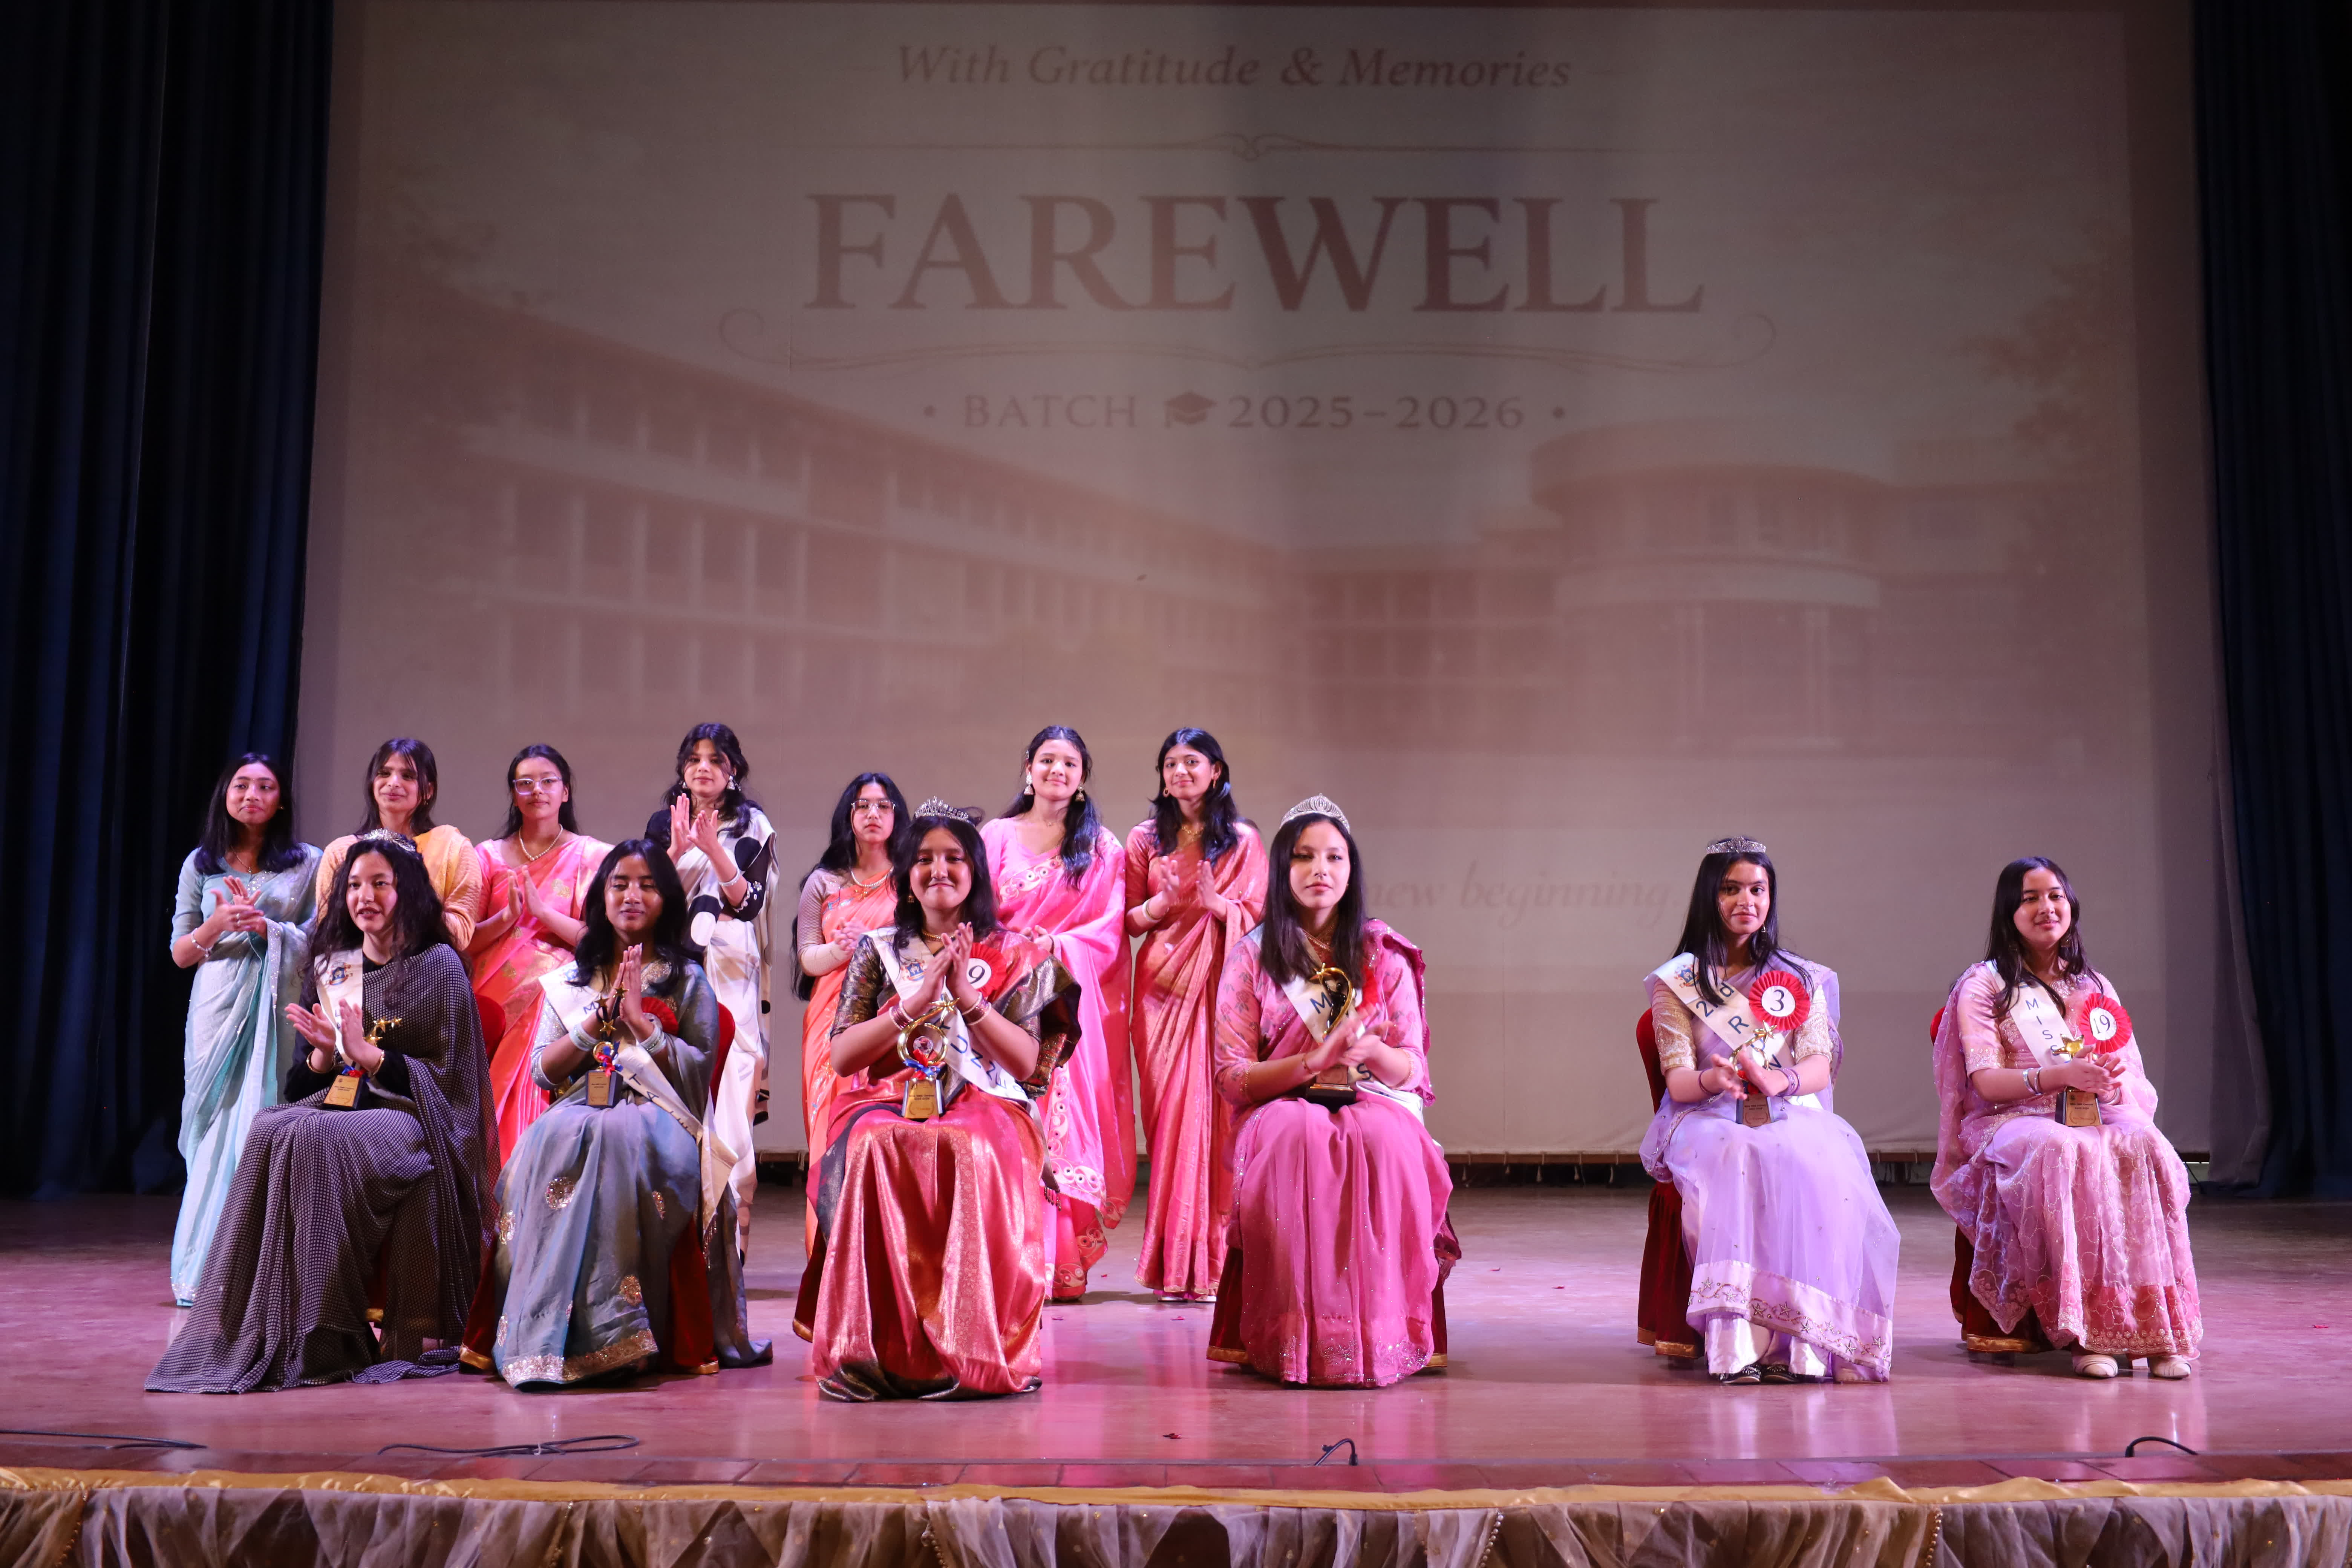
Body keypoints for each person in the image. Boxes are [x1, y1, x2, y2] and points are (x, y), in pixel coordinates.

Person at [149, 832, 491, 1392]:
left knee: (316, 1139)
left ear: (408, 890)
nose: (364, 897)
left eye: (380, 884)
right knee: (271, 1126)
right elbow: (303, 1084)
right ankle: (264, 1325)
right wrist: (326, 1054)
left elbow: (453, 1080)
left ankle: (326, 1331)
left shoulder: (438, 965)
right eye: (354, 885)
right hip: (349, 1104)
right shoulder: (337, 966)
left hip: (416, 1117)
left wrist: (371, 1057)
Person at [793, 802, 1078, 1400]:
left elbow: (1025, 1065)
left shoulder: (1015, 952)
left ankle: (971, 1345)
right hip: (892, 1095)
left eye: (953, 858)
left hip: (987, 1098)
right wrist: (913, 1004)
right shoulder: (878, 949)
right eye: (923, 859)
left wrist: (966, 1000)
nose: (938, 870)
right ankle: (878, 1347)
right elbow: (843, 1057)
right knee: (872, 1144)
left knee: (971, 1146)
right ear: (906, 874)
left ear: (976, 871)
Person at [461, 841, 770, 1386]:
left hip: (661, 1115)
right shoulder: (570, 982)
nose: (632, 895)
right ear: (601, 898)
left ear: (667, 899)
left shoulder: (688, 979)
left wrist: (641, 1024)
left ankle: (620, 1332)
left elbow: (696, 1075)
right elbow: (543, 1072)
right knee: (550, 1140)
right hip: (580, 1107)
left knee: (615, 1139)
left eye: (648, 885)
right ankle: (543, 1336)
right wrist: (596, 1021)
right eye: (620, 884)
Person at [1205, 796, 1455, 1387]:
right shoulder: (1252, 957)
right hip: (1281, 1103)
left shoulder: (1383, 954)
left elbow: (1411, 1069)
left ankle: (1382, 1335)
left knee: (1386, 1140)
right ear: (1282, 869)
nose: (1320, 869)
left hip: (1372, 1097)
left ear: (1352, 869)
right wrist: (1311, 1062)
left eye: (1334, 857)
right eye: (1304, 856)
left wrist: (1370, 1053)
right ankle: (1297, 1338)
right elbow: (1232, 1076)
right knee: (1298, 1135)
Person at [1640, 837, 1898, 1384]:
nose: (1747, 901)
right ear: (1709, 896)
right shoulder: (1679, 982)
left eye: (1758, 890)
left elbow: (1819, 1065)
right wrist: (1714, 1078)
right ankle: (1741, 1342)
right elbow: (1679, 1080)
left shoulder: (1800, 977)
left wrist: (1779, 1080)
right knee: (1737, 1153)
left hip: (1787, 1107)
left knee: (1812, 1158)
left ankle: (1800, 1343)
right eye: (1731, 889)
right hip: (1708, 1115)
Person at [1931, 858, 2200, 1379]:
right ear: (2009, 912)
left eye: (2055, 895)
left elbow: (2127, 1076)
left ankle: (2157, 1331)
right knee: (2063, 1149)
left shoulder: (2093, 984)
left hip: (2092, 1111)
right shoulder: (1985, 985)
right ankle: (2089, 1334)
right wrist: (2056, 1076)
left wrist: (2109, 1075)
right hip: (2012, 1116)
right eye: (2030, 898)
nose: (2046, 907)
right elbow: (1986, 1083)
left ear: (2071, 904)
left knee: (2146, 1144)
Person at [982, 727, 1134, 1300]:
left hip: (1066, 1000)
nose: (1057, 771)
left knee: (1059, 1121)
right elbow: (976, 909)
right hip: (1003, 997)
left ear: (1082, 777)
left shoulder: (1102, 848)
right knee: (1006, 1116)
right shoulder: (996, 836)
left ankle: (1056, 1262)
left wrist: (1056, 945)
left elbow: (1109, 931)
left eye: (1069, 763)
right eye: (1047, 760)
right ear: (1028, 768)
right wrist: (1011, 951)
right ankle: (1009, 1257)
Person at [165, 755, 321, 1307]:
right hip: (215, 1007)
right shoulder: (200, 863)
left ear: (281, 801)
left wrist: (269, 927)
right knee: (210, 1131)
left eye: (265, 786)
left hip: (276, 1007)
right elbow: (181, 952)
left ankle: (255, 1269)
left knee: (262, 1121)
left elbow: (318, 937)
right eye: (242, 785)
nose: (252, 794)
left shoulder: (309, 863)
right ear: (225, 795)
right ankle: (201, 1270)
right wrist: (218, 923)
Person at [1123, 728, 1267, 1301]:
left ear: (1216, 771)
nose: (1180, 772)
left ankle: (1216, 1261)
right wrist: (1159, 905)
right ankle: (1173, 1262)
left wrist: (1219, 906)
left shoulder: (1243, 840)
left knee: (1220, 1119)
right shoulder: (1144, 840)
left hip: (1221, 987)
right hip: (1161, 993)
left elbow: (1260, 919)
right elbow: (1126, 919)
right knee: (1171, 1125)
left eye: (1192, 762)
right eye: (1170, 764)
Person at [646, 723, 777, 1256]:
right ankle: (681, 1240)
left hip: (730, 966)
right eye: (694, 758)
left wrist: (712, 850)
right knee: (676, 1086)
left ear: (733, 770)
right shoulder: (665, 822)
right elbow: (654, 900)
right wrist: (677, 851)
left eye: (715, 759)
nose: (703, 767)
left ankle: (732, 1238)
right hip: (678, 964)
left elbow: (749, 902)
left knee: (732, 1093)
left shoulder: (753, 824)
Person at [467, 745, 610, 1164]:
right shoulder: (486, 856)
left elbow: (600, 942)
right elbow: (466, 941)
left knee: (547, 1002)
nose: (537, 790)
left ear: (565, 792)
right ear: (514, 795)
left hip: (557, 996)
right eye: (525, 783)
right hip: (492, 995)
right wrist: (507, 918)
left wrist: (544, 914)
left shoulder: (593, 856)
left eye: (548, 781)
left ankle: (523, 1165)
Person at [791, 772, 911, 1254]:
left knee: (878, 1124)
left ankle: (879, 1253)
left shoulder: (909, 880)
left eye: (883, 805)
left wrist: (873, 944)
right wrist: (843, 952)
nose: (873, 814)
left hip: (890, 1016)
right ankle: (827, 1254)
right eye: (863, 805)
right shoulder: (823, 882)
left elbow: (921, 950)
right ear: (849, 815)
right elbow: (807, 956)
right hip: (829, 1018)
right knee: (828, 1125)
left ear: (897, 815)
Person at [316, 738, 484, 948]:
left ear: (428, 791)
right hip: (357, 966)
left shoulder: (453, 848)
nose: (394, 783)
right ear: (372, 783)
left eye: (408, 776)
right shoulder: (340, 852)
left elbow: (460, 934)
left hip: (428, 965)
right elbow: (328, 932)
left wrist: (402, 908)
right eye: (384, 773)